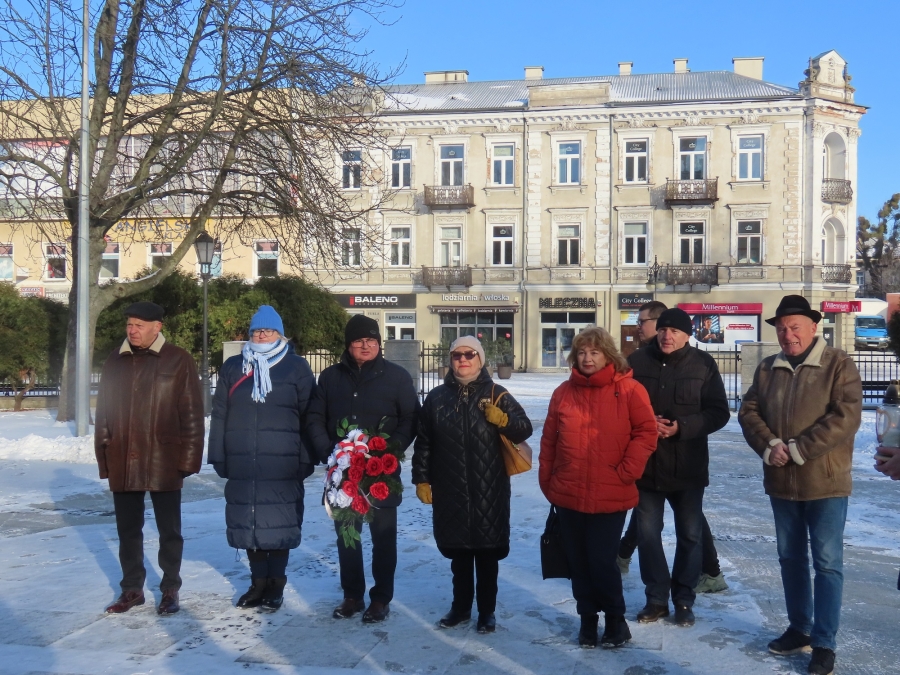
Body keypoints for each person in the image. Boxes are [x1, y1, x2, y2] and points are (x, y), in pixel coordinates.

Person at [739, 295, 862, 675]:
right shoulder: (767, 368)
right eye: (781, 328)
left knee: (827, 564)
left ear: (813, 327)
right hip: (781, 483)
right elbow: (748, 412)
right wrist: (769, 445)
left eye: (794, 327)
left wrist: (797, 449)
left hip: (825, 483)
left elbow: (845, 417)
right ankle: (799, 628)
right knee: (790, 559)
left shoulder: (838, 363)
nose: (788, 334)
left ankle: (824, 642)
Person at [539, 327, 657, 648]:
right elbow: (549, 440)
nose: (587, 358)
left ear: (608, 355)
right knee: (578, 562)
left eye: (594, 352)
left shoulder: (630, 390)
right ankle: (588, 619)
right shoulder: (563, 392)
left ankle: (616, 621)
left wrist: (628, 470)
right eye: (581, 352)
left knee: (602, 562)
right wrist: (548, 479)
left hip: (611, 491)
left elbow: (646, 432)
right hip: (569, 491)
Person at [413, 336, 533, 634]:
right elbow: (424, 443)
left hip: (489, 487)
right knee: (460, 555)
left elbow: (524, 429)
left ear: (480, 359)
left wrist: (503, 419)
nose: (463, 360)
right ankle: (461, 607)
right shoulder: (436, 398)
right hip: (450, 488)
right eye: (457, 355)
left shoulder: (497, 394)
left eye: (469, 354)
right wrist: (422, 478)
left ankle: (487, 611)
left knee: (488, 555)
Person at [94, 301, 205, 615]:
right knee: (128, 531)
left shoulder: (178, 359)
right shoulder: (115, 360)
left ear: (157, 327)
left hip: (163, 458)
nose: (132, 330)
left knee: (169, 531)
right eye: (129, 324)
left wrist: (188, 460)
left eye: (139, 325)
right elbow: (103, 413)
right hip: (123, 458)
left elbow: (192, 414)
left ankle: (170, 588)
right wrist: (105, 455)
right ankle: (131, 589)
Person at [307, 314, 420, 623]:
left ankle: (381, 598)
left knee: (383, 538)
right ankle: (352, 595)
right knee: (348, 536)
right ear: (348, 345)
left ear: (379, 344)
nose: (366, 346)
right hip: (343, 472)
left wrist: (391, 448)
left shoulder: (396, 377)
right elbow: (315, 416)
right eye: (359, 340)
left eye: (371, 340)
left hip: (381, 471)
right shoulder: (330, 378)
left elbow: (411, 417)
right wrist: (329, 450)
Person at [208, 305, 316, 611]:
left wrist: (306, 457)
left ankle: (276, 584)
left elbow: (310, 414)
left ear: (280, 335)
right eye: (256, 331)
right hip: (242, 459)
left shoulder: (296, 367)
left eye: (268, 331)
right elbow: (219, 413)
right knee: (249, 521)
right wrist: (218, 454)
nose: (261, 335)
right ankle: (257, 583)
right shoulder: (234, 367)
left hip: (283, 462)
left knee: (279, 523)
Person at [618, 302, 729, 595]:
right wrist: (643, 421)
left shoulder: (703, 364)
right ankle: (656, 597)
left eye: (675, 331)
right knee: (648, 536)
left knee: (690, 536)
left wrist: (683, 427)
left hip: (688, 467)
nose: (667, 336)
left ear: (687, 335)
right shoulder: (637, 361)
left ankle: (683, 597)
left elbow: (719, 412)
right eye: (663, 329)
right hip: (647, 466)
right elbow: (619, 405)